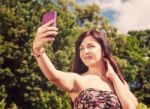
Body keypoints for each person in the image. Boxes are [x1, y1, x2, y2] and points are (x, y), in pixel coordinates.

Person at [32, 20, 138, 109]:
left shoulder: (120, 82)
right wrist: (38, 49)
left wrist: (113, 77)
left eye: (90, 46)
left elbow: (130, 106)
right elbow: (53, 76)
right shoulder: (78, 80)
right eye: (81, 48)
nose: (85, 51)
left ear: (103, 51)